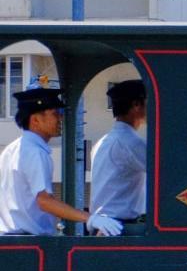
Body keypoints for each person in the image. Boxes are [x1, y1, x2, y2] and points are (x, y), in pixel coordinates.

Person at [0, 86, 121, 236]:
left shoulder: (12, 149)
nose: (60, 118)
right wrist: (90, 218)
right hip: (30, 244)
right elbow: (44, 201)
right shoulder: (34, 152)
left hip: (13, 242)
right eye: (55, 114)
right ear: (36, 119)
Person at [89, 79, 147, 222]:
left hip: (105, 224)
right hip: (119, 226)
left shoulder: (103, 141)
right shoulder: (131, 143)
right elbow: (166, 173)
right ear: (136, 105)